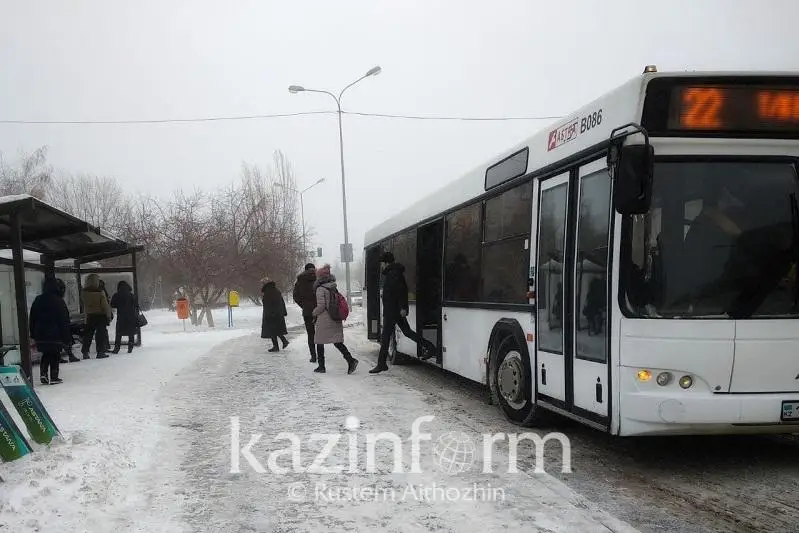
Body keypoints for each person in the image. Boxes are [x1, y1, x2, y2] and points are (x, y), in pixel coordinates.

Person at [370, 252, 436, 374]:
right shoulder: (393, 273)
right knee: (406, 332)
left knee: (385, 338)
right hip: (393, 310)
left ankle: (381, 364)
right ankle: (430, 347)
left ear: (386, 262)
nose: (382, 267)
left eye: (382, 264)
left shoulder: (394, 274)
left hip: (392, 311)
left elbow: (401, 291)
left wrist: (403, 307)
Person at [311, 264, 358, 374]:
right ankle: (350, 360)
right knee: (337, 341)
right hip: (335, 316)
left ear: (319, 277)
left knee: (319, 341)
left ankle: (321, 366)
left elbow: (321, 306)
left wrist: (314, 312)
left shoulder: (320, 289)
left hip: (324, 319)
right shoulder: (333, 286)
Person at [29, 276, 71, 384]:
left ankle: (43, 374)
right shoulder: (59, 301)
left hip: (40, 333)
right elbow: (64, 319)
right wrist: (66, 336)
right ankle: (54, 376)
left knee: (46, 353)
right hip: (55, 333)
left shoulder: (38, 299)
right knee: (55, 354)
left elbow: (32, 317)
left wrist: (33, 333)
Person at [81, 273, 113, 359]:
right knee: (100, 334)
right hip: (100, 316)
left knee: (88, 334)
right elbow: (105, 306)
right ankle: (100, 352)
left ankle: (85, 352)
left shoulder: (84, 292)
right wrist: (108, 316)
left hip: (90, 316)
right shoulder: (100, 292)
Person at [293, 263, 318, 362]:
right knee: (320, 334)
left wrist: (304, 305)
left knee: (310, 334)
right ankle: (321, 357)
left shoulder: (300, 280)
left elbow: (295, 296)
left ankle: (313, 356)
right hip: (320, 310)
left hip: (307, 311)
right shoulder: (319, 278)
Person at [55, 278, 80, 363]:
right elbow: (63, 315)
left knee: (59, 341)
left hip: (53, 326)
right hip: (60, 325)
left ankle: (60, 357)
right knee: (64, 340)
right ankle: (70, 355)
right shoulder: (59, 301)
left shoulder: (49, 299)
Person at [261, 278, 289, 352]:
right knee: (276, 330)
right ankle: (282, 342)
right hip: (278, 314)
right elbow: (282, 302)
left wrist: (269, 314)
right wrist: (283, 312)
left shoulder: (268, 292)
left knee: (272, 331)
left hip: (272, 314)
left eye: (263, 283)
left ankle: (277, 345)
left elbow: (269, 305)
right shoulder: (276, 290)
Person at [110, 280, 138, 353]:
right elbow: (136, 305)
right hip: (131, 316)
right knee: (130, 332)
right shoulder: (131, 295)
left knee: (119, 333)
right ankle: (130, 347)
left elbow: (112, 305)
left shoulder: (116, 295)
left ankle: (117, 348)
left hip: (121, 316)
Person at [98, 279, 112, 352]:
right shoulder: (102, 292)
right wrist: (108, 315)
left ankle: (102, 346)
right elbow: (106, 304)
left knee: (100, 331)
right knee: (103, 331)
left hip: (96, 314)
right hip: (102, 314)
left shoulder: (91, 292)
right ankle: (104, 346)